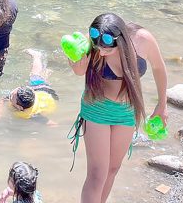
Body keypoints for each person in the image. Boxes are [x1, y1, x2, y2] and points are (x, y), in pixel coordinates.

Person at [68, 13, 168, 203]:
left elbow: (159, 68)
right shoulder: (94, 40)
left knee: (113, 169)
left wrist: (162, 105)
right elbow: (79, 71)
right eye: (98, 48)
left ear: (120, 39)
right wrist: (77, 63)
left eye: (107, 49)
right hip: (97, 108)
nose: (101, 52)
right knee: (97, 173)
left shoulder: (142, 39)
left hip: (126, 111)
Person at [0, 49, 58, 122]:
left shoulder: (34, 116)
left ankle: (37, 56)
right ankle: (43, 69)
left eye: (12, 96)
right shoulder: (18, 98)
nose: (10, 94)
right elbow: (3, 100)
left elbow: (52, 123)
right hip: (35, 93)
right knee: (35, 76)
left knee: (35, 75)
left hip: (45, 91)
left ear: (19, 107)